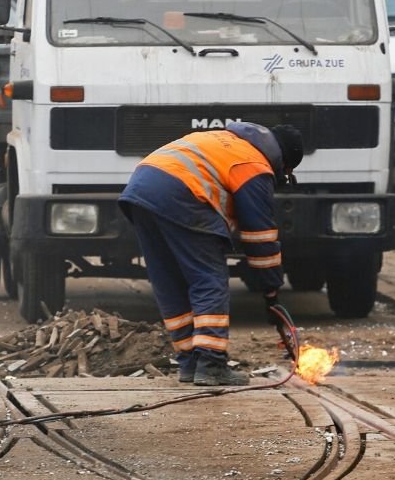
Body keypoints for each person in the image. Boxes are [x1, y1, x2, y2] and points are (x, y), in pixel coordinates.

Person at [119, 122, 304, 386]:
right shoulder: (254, 165)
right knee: (208, 279)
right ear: (283, 162)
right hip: (182, 194)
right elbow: (260, 237)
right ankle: (211, 363)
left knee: (170, 281)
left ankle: (189, 362)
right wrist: (271, 290)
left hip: (140, 190)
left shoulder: (224, 140)